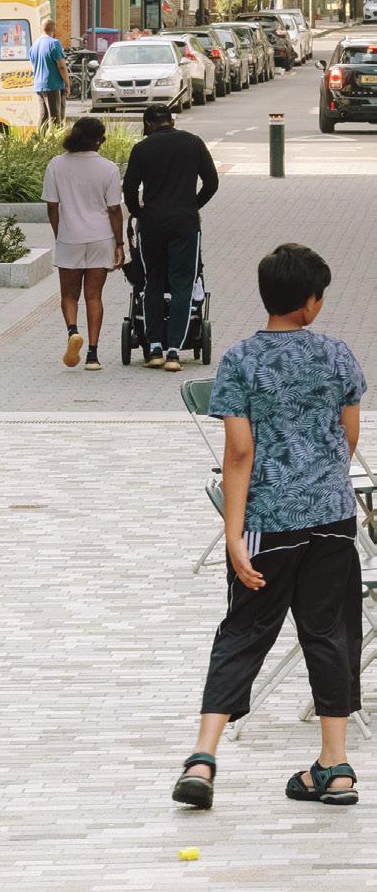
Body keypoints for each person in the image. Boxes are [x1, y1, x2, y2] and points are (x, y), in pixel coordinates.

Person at [173, 243, 365, 813]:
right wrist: (320, 477)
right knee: (330, 632)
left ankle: (203, 758)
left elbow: (239, 453)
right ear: (309, 302)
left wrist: (234, 535)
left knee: (244, 630)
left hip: (268, 522)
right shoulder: (337, 354)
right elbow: (349, 435)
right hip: (332, 518)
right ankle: (335, 766)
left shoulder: (241, 360)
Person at [123, 103, 219, 370]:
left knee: (152, 281)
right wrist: (192, 206)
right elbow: (211, 182)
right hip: (184, 224)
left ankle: (154, 348)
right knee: (182, 284)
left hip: (152, 224)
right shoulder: (193, 143)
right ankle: (175, 352)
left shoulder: (142, 149)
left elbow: (129, 188)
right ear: (172, 121)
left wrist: (139, 213)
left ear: (149, 124)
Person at [43, 116, 124, 369]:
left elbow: (52, 206)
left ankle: (72, 332)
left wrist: (60, 234)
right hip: (101, 238)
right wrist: (119, 244)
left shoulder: (56, 165)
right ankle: (92, 355)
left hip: (70, 238)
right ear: (100, 140)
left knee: (69, 295)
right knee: (94, 296)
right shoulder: (109, 168)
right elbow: (114, 210)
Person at [31, 23, 69, 125]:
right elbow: (61, 66)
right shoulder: (54, 43)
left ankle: (40, 135)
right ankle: (56, 136)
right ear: (54, 29)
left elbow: (33, 65)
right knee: (55, 117)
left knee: (43, 116)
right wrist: (68, 84)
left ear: (41, 28)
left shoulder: (34, 44)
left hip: (39, 85)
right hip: (52, 85)